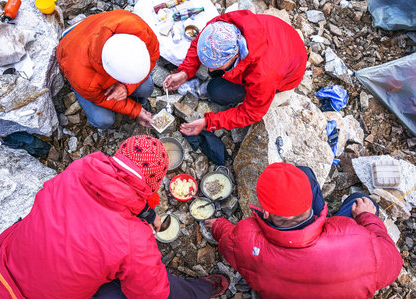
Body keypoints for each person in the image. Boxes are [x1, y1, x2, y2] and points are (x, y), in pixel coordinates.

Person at [0, 135, 228, 298]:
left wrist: (146, 215)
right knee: (159, 286)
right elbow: (152, 293)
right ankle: (201, 291)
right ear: (152, 185)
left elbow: (113, 191)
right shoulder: (133, 240)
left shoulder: (79, 170)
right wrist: (141, 231)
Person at [205, 162, 403, 298]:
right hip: (337, 248)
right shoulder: (358, 241)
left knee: (303, 173)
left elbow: (227, 240)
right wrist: (367, 217)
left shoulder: (246, 238)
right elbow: (394, 263)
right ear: (310, 203)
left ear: (266, 213)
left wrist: (218, 226)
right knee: (358, 199)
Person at [163, 10, 307, 136]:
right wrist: (185, 72)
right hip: (280, 39)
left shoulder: (263, 75)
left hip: (287, 73)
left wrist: (209, 121)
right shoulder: (223, 26)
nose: (211, 69)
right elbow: (201, 41)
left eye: (217, 65)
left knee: (216, 91)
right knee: (214, 76)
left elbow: (251, 113)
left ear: (235, 55)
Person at [57, 10, 159, 129]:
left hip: (94, 26)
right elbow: (100, 98)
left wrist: (126, 87)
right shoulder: (82, 76)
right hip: (72, 46)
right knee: (103, 120)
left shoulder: (138, 28)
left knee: (147, 87)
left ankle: (132, 98)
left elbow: (153, 56)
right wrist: (135, 110)